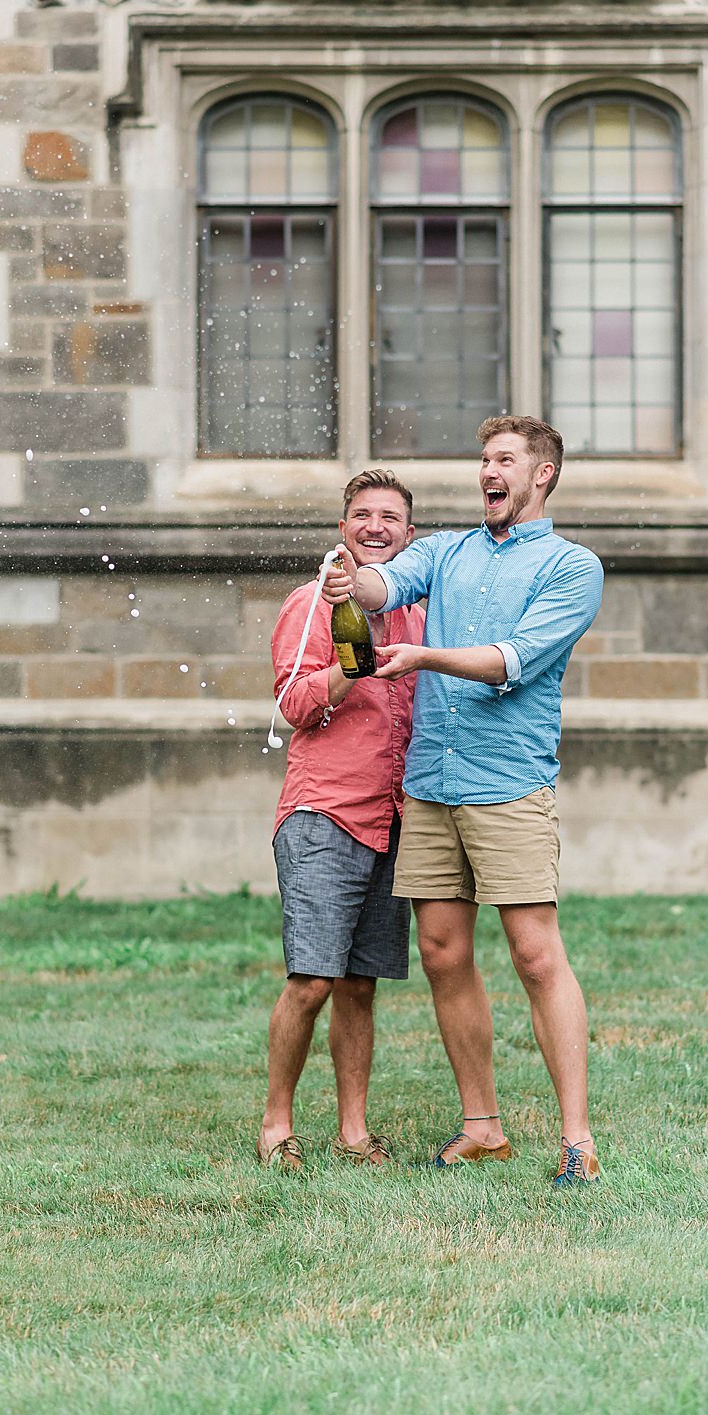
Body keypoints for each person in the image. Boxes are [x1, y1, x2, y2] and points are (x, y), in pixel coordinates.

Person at [322, 417, 605, 1189]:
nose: (490, 470)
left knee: (536, 955)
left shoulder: (573, 567)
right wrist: (356, 579)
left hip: (508, 782)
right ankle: (482, 1125)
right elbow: (388, 583)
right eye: (484, 459)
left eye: (505, 459)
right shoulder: (444, 550)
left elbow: (510, 659)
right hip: (432, 782)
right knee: (444, 953)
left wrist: (422, 655)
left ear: (540, 475)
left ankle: (577, 1138)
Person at [257, 469, 425, 1172]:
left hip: (393, 819)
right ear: (343, 528)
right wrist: (351, 668)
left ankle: (353, 1131)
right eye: (363, 514)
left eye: (390, 515)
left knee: (361, 982)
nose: (376, 525)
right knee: (313, 978)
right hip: (323, 814)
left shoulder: (417, 614)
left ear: (410, 535)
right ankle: (276, 1123)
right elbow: (293, 703)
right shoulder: (311, 603)